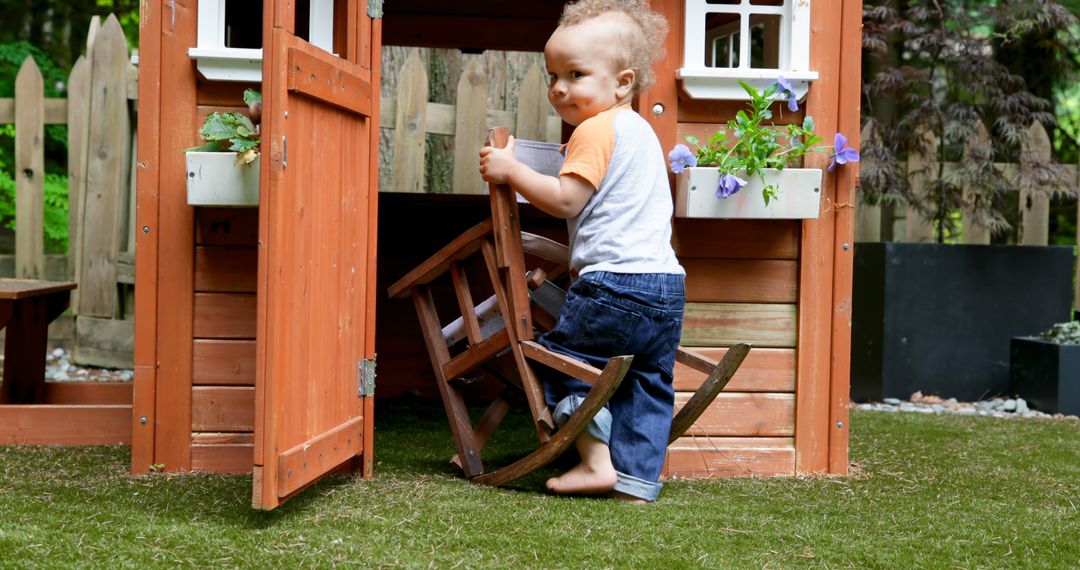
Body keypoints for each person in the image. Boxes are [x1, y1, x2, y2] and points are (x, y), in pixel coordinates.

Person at [478, 0, 683, 503]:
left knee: (558, 357)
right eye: (553, 75)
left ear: (622, 82)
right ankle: (636, 482)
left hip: (613, 284)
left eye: (575, 74)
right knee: (649, 379)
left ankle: (594, 461)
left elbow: (566, 198)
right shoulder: (641, 133)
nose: (559, 88)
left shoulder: (594, 130)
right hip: (666, 285)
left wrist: (511, 170)